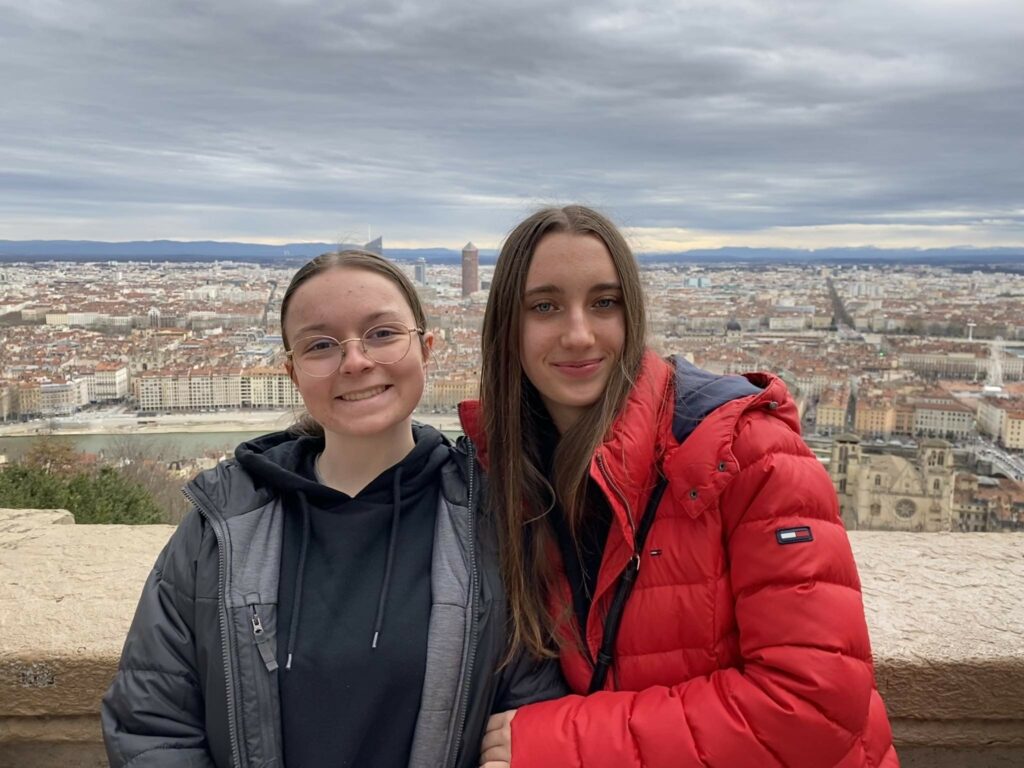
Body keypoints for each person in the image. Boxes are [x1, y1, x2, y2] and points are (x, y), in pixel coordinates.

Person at [461, 206, 899, 767]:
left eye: (604, 303)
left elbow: (814, 707)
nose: (578, 333)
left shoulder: (750, 453)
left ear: (632, 314)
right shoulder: (510, 473)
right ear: (507, 327)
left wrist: (559, 741)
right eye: (544, 306)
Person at [102, 250, 564, 768]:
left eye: (382, 334)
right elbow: (151, 723)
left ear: (427, 349)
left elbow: (532, 706)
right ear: (292, 372)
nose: (355, 361)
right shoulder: (219, 526)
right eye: (321, 345)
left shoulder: (496, 519)